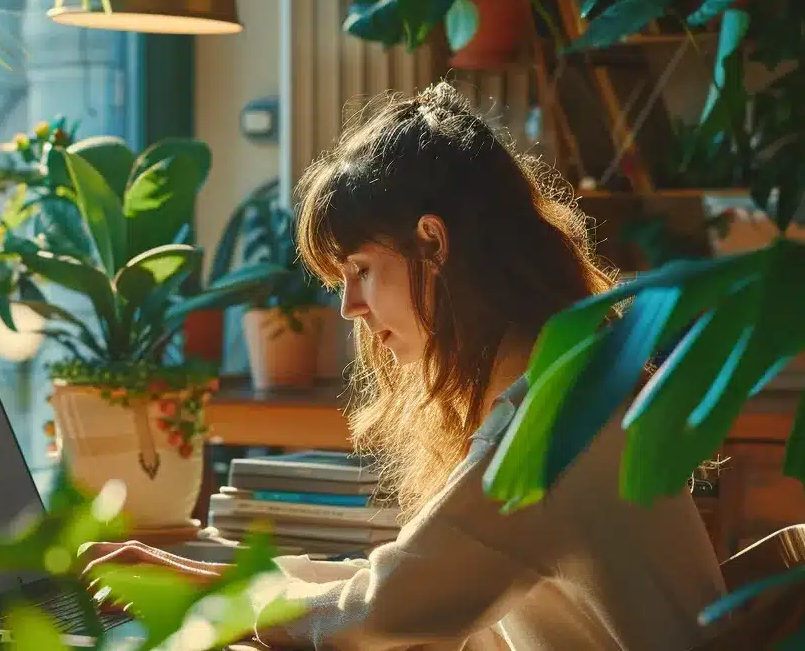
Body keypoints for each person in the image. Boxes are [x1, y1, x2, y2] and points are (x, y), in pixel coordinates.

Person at [79, 82, 725, 650]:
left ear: (433, 244)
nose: (350, 307)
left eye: (361, 271)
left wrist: (202, 596)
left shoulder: (552, 420)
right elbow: (405, 588)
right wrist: (211, 579)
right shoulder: (573, 379)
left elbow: (379, 611)